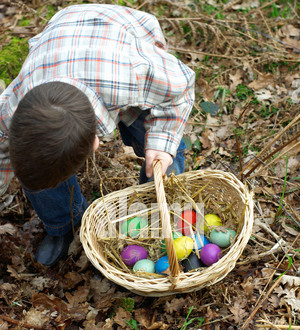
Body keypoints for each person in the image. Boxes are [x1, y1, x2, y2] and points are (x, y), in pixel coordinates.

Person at [0, 4, 195, 266]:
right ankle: (63, 224)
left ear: (95, 143)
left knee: (165, 150)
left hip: (121, 38)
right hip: (59, 47)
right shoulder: (11, 108)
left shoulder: (134, 76)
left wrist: (162, 143)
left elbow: (179, 91)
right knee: (41, 164)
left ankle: (157, 211)